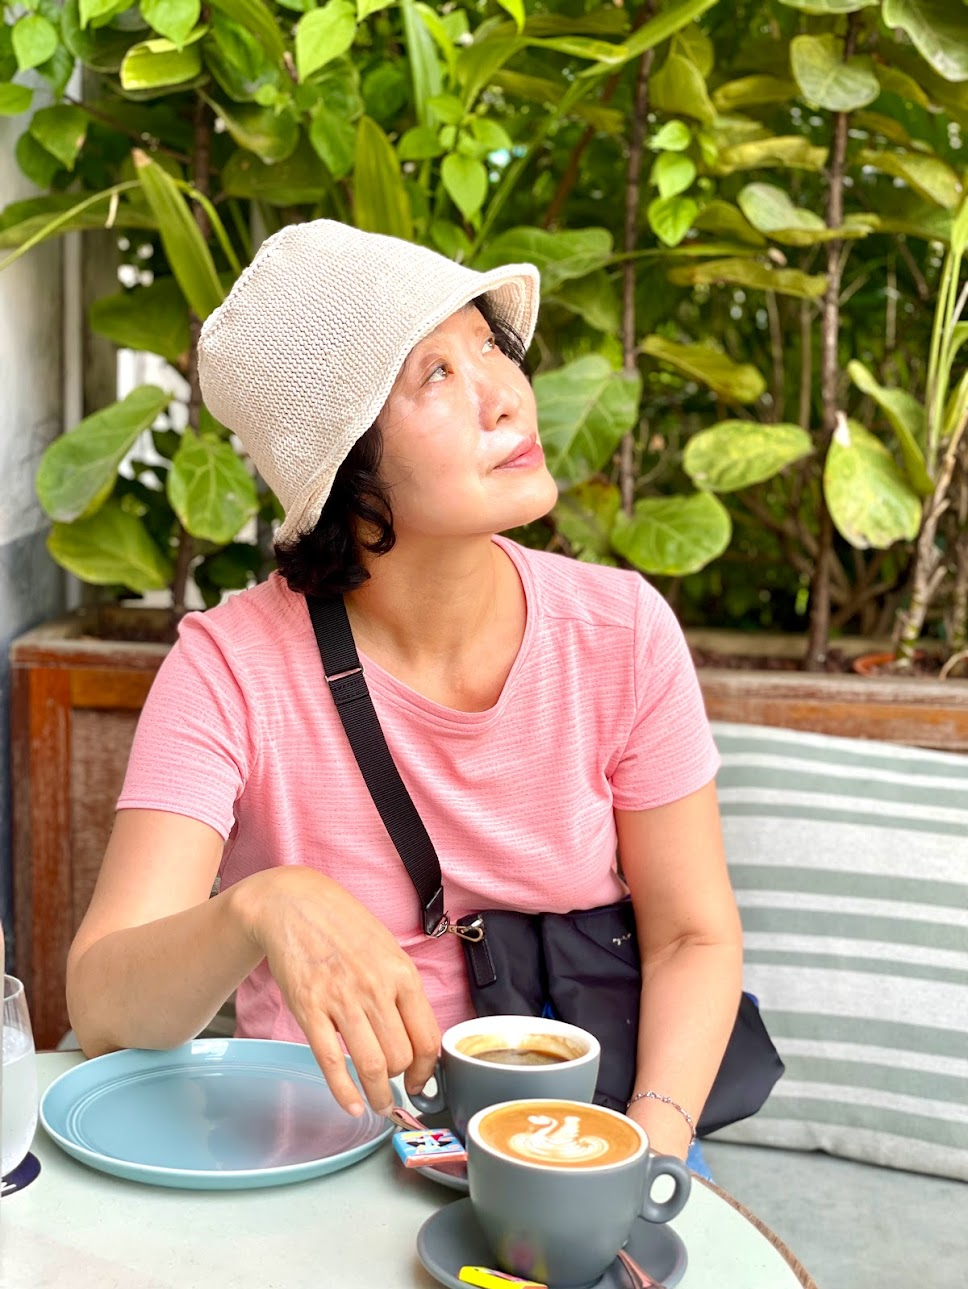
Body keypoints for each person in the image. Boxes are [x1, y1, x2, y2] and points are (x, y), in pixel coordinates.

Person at [65, 220, 743, 1164]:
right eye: (436, 374)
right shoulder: (230, 669)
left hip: (589, 1134)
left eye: (489, 346)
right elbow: (102, 1007)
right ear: (348, 467)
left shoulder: (621, 632)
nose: (506, 397)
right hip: (320, 1146)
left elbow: (692, 938)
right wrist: (261, 905)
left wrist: (646, 1154)